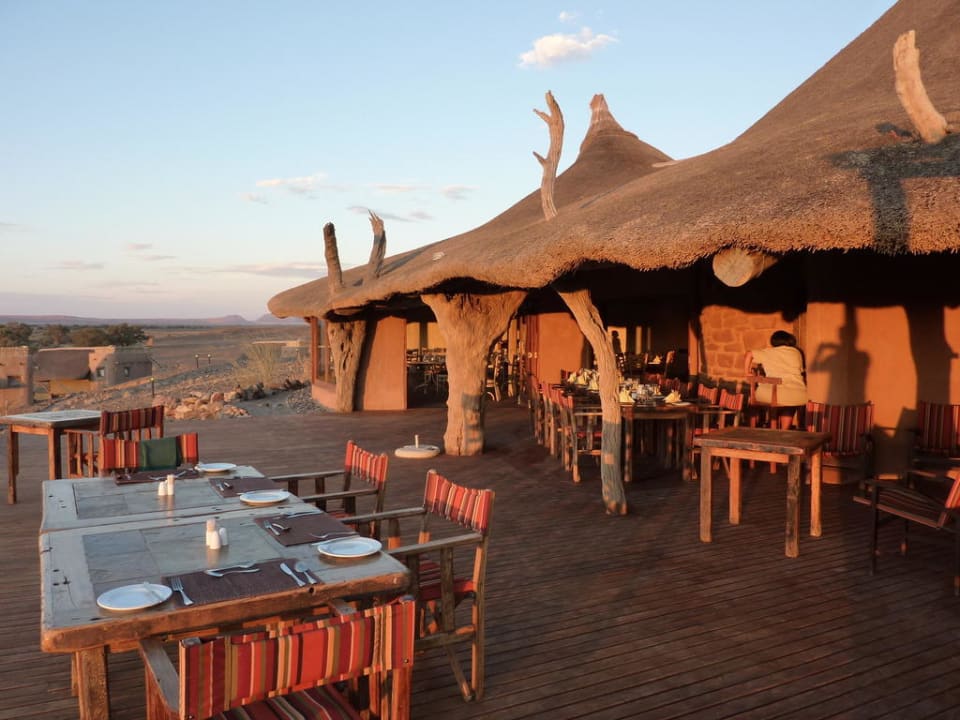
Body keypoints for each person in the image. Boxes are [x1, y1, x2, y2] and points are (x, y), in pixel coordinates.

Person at [744, 330, 807, 429]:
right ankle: (784, 431)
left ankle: (774, 430)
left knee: (773, 393)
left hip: (773, 394)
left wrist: (746, 372)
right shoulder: (796, 352)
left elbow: (749, 354)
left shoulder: (769, 352)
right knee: (789, 404)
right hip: (797, 394)